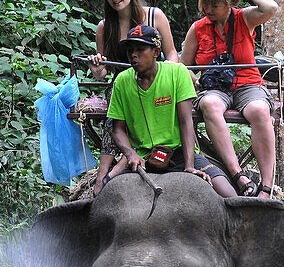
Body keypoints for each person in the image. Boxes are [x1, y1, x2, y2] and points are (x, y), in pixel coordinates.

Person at [96, 25, 234, 198]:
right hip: (142, 157)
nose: (133, 55)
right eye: (130, 50)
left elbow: (185, 122)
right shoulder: (122, 81)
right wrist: (131, 154)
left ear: (156, 52)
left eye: (140, 49)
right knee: (107, 193)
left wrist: (190, 165)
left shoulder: (177, 72)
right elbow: (117, 129)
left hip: (178, 152)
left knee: (226, 190)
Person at [180, 0, 279, 198]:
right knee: (210, 105)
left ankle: (266, 186)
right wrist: (194, 78)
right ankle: (238, 175)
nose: (209, 10)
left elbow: (271, 7)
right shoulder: (198, 28)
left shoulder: (244, 18)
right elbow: (183, 65)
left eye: (215, 5)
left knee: (259, 109)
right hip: (215, 87)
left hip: (248, 84)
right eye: (206, 5)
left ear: (228, 4)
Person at [86, 0, 179, 80]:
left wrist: (169, 75)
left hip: (155, 82)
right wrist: (97, 68)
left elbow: (171, 52)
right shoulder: (104, 27)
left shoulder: (155, 16)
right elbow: (102, 72)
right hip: (123, 86)